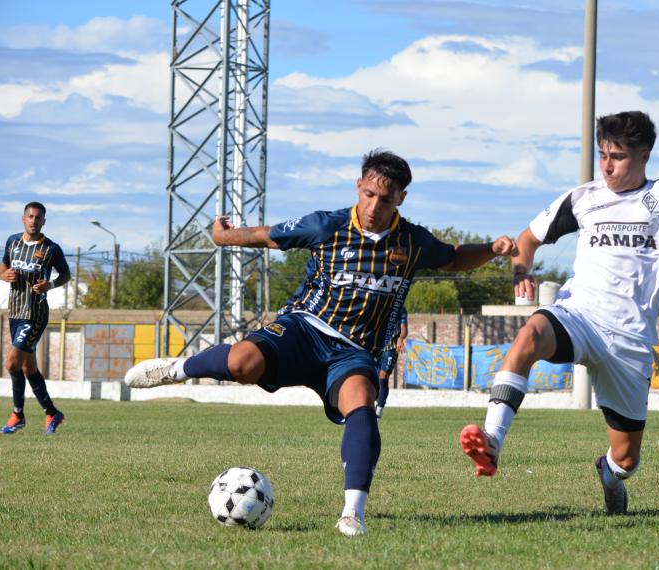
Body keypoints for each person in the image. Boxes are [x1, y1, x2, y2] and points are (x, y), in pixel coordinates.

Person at [125, 149, 517, 536]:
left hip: (353, 351)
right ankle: (174, 369)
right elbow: (267, 236)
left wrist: (492, 251)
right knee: (243, 362)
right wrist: (223, 237)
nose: (374, 205)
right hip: (304, 328)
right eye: (369, 194)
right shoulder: (326, 226)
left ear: (400, 199)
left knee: (361, 404)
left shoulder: (412, 242)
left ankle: (352, 514)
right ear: (358, 186)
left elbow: (452, 258)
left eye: (385, 198)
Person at [459, 111, 659, 515]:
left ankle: (608, 473)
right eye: (603, 154)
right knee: (529, 335)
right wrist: (522, 269)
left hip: (630, 341)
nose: (607, 165)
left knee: (627, 459)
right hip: (580, 317)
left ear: (644, 155)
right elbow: (527, 238)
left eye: (618, 157)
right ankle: (493, 442)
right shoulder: (583, 197)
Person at [1, 202, 71, 435]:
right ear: (23, 219)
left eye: (38, 217)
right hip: (15, 312)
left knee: (11, 363)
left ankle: (18, 415)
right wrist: (3, 274)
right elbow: (3, 265)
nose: (33, 220)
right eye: (30, 216)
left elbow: (65, 274)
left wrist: (49, 284)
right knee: (28, 366)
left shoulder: (51, 248)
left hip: (35, 314)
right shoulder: (13, 242)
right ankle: (52, 412)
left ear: (43, 221)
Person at [375, 306, 408, 419]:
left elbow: (404, 328)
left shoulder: (400, 308)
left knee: (383, 376)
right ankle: (373, 403)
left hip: (391, 348)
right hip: (376, 347)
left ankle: (379, 410)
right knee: (373, 376)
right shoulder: (379, 304)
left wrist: (400, 339)